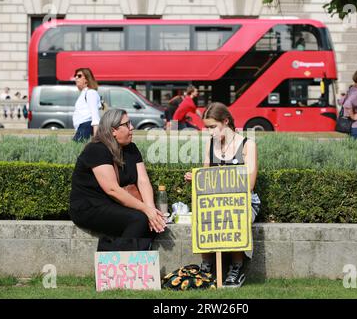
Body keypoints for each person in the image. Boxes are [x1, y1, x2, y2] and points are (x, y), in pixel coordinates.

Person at [184, 102, 260, 288]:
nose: (210, 132)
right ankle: (207, 266)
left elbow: (249, 184)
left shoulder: (247, 145)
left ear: (225, 121)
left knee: (235, 216)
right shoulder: (212, 144)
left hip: (244, 200)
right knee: (203, 215)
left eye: (213, 127)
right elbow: (206, 176)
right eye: (207, 128)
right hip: (216, 199)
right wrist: (196, 178)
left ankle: (236, 267)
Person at [69, 108, 167, 252]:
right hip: (89, 207)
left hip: (113, 204)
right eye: (127, 124)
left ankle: (136, 266)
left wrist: (151, 210)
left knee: (154, 221)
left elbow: (143, 181)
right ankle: (120, 265)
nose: (132, 128)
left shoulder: (131, 148)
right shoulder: (96, 150)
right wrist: (146, 210)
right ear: (113, 130)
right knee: (139, 219)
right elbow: (112, 189)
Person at [72, 68, 101, 142]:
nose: (76, 78)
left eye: (79, 76)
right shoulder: (84, 93)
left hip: (86, 127)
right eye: (75, 75)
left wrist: (96, 137)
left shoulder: (91, 92)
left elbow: (95, 116)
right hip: (82, 128)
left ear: (87, 79)